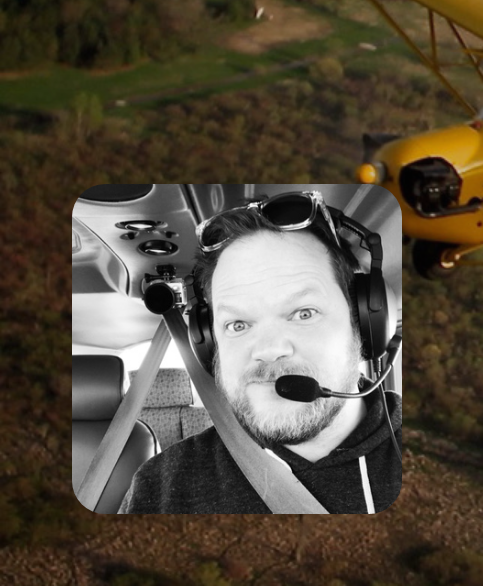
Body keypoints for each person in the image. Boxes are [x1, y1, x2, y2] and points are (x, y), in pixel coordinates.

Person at [120, 198, 401, 513]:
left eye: (304, 313)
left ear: (363, 324)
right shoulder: (159, 489)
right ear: (209, 345)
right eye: (238, 324)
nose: (268, 350)